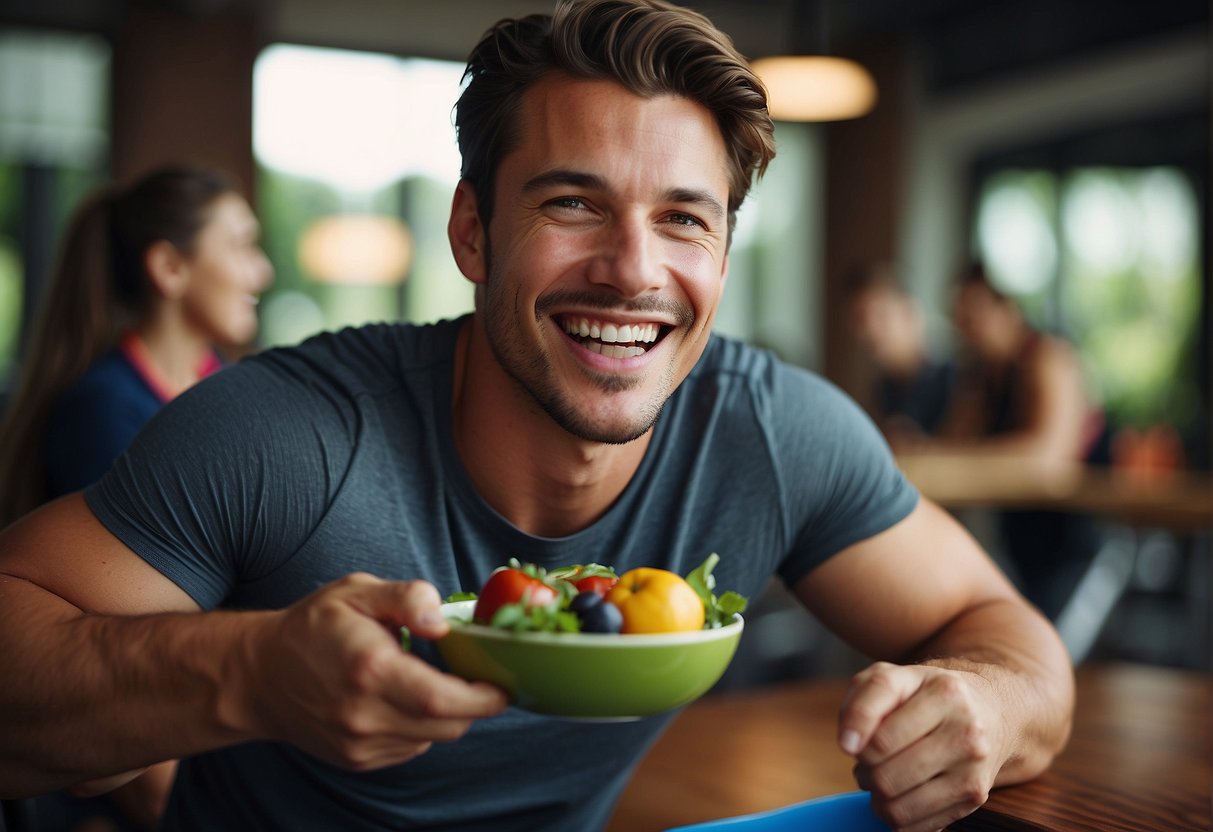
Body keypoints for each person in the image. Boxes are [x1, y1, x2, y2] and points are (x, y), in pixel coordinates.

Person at [0, 3, 1073, 832]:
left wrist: (982, 706)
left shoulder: (771, 429)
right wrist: (248, 673)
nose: (632, 271)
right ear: (474, 230)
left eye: (683, 220)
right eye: (572, 204)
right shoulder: (289, 431)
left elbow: (1008, 635)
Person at [0, 164, 273, 830]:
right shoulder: (105, 412)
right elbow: (121, 669)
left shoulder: (234, 396)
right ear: (169, 269)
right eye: (239, 246)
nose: (260, 272)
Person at [908, 263, 1106, 620]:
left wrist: (950, 455)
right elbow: (950, 446)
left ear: (1008, 309)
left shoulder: (1050, 359)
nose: (968, 329)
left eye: (976, 314)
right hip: (1018, 535)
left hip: (1076, 538)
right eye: (960, 319)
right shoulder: (981, 377)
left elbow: (1049, 459)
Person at [846, 261, 955, 443]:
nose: (869, 330)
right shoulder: (883, 388)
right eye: (860, 319)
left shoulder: (956, 380)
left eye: (881, 315)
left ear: (910, 312)